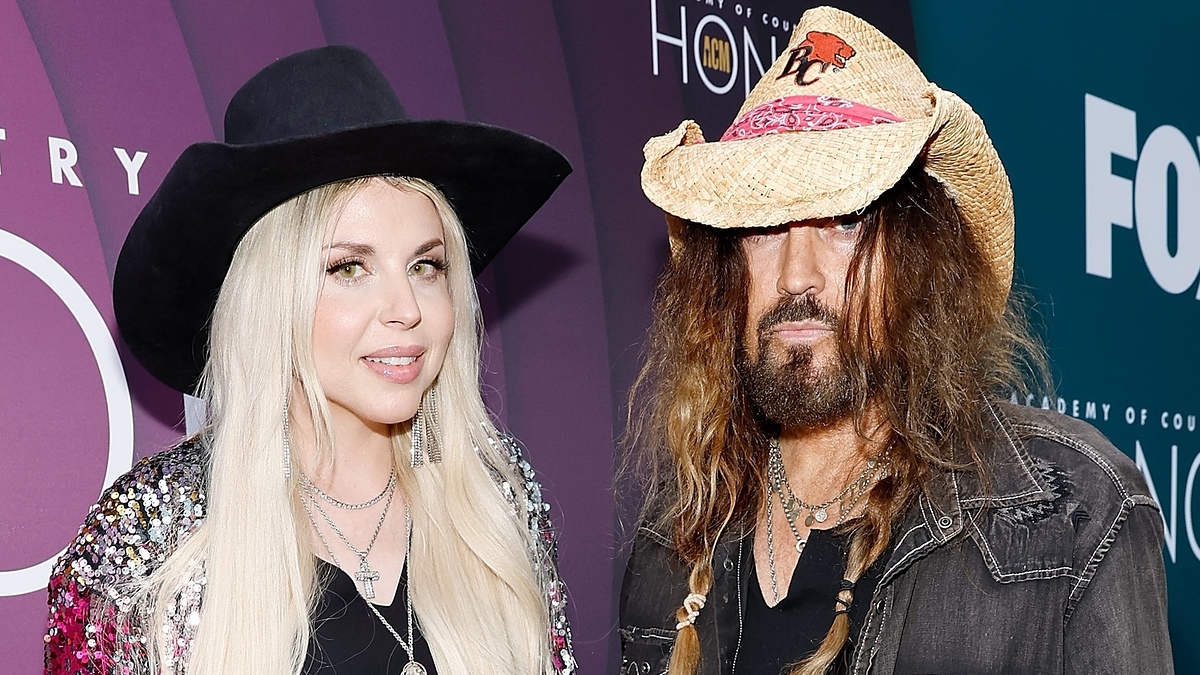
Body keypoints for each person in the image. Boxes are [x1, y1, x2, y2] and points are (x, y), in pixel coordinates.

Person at [620, 7, 1171, 675]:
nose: (797, 273)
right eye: (763, 226)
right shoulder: (674, 538)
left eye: (846, 221)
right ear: (725, 271)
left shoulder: (1073, 514)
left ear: (920, 261)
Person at [44, 46, 576, 675]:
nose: (405, 307)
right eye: (350, 267)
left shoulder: (496, 499)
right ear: (270, 296)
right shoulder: (147, 545)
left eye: (425, 266)